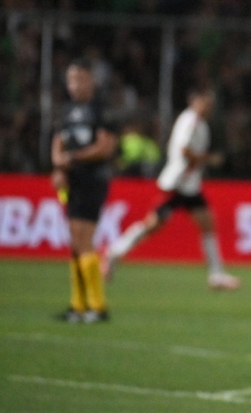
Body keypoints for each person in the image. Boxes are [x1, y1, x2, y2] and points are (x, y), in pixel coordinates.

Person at [104, 88, 240, 290]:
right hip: (177, 183)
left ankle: (216, 274)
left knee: (207, 222)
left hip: (189, 184)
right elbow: (184, 150)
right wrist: (208, 159)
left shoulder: (197, 122)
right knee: (153, 224)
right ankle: (113, 253)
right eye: (207, 103)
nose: (209, 108)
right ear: (196, 101)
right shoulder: (191, 120)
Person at [51, 60, 119, 322]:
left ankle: (97, 306)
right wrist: (58, 166)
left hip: (93, 179)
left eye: (79, 79)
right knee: (74, 242)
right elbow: (57, 143)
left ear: (92, 81)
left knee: (84, 239)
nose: (74, 85)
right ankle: (77, 306)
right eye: (70, 80)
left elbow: (105, 147)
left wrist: (73, 158)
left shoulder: (101, 110)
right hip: (72, 181)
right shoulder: (66, 110)